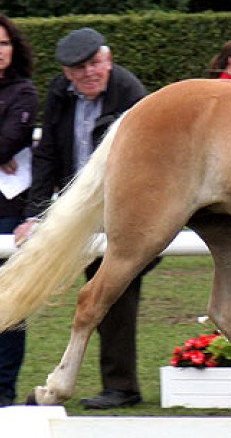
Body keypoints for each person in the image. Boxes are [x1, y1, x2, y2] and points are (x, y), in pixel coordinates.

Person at [13, 27, 160, 409]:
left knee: (113, 288)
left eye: (95, 63)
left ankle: (122, 385)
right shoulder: (60, 94)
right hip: (80, 205)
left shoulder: (131, 94)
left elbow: (145, 166)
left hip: (127, 206)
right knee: (101, 288)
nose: (89, 73)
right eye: (79, 69)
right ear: (66, 73)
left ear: (108, 60)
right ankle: (115, 383)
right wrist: (35, 214)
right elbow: (47, 155)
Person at [0, 14, 39, 406]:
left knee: (8, 303)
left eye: (4, 43)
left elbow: (8, 144)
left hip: (9, 210)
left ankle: (3, 388)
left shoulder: (24, 93)